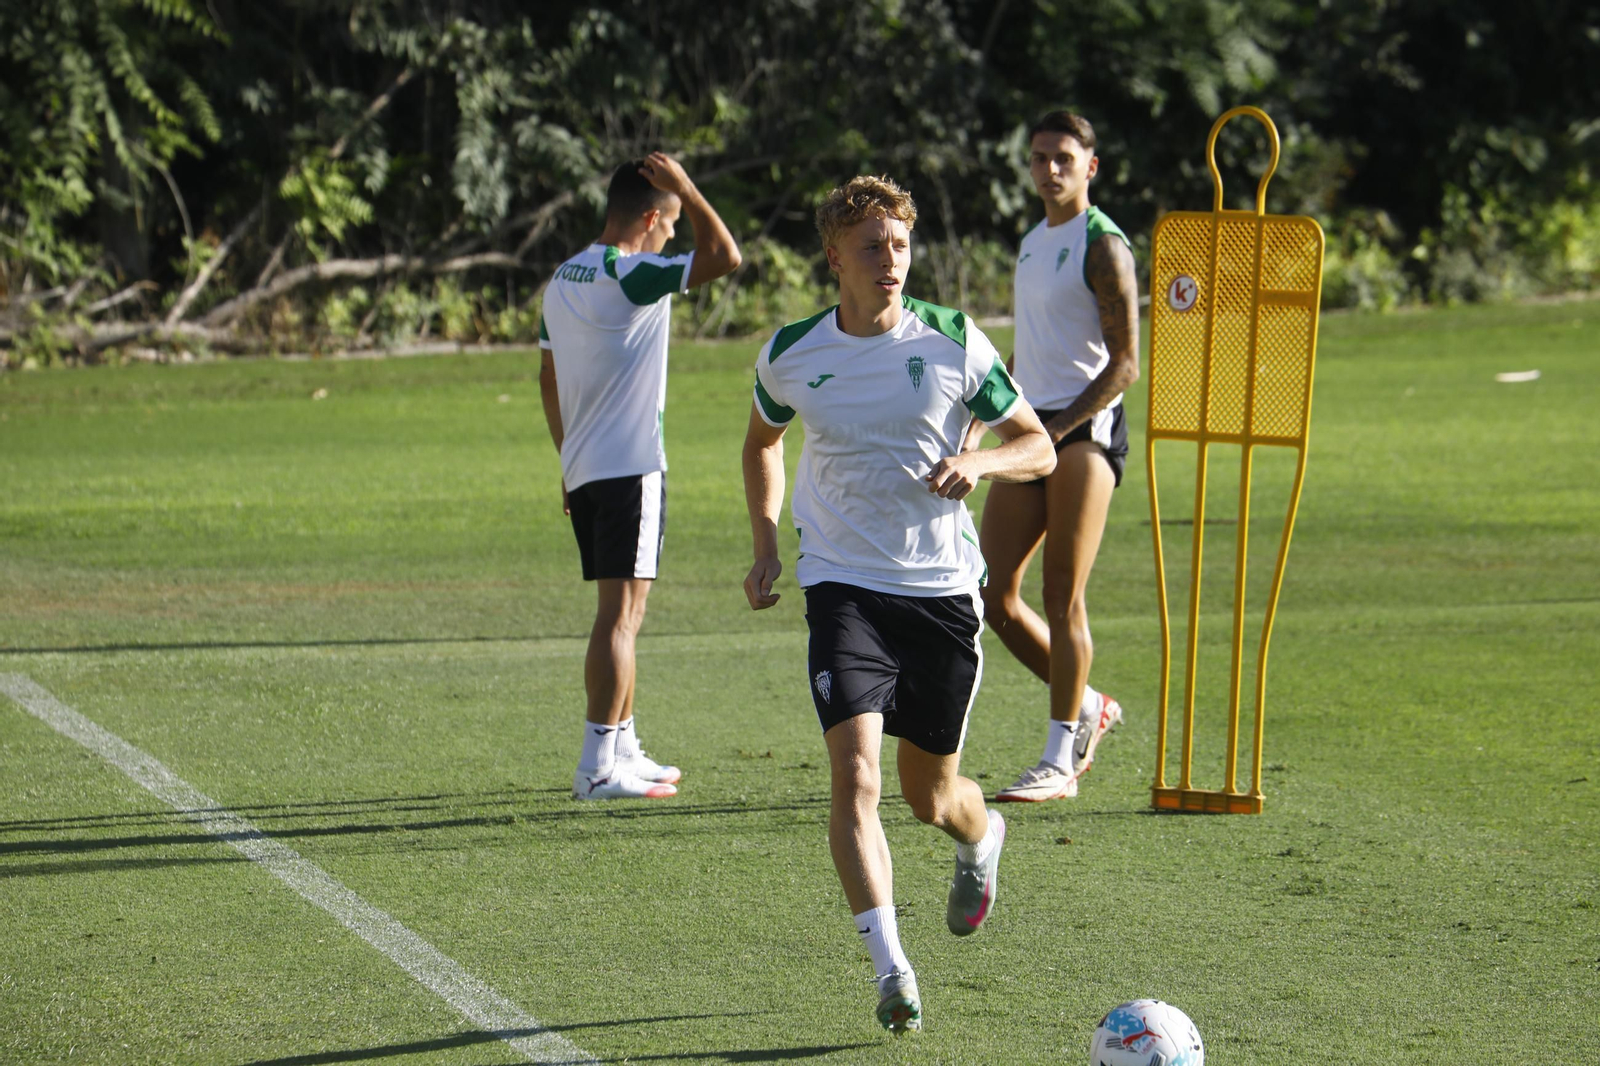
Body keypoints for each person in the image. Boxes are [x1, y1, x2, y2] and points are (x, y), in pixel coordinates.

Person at [741, 175, 1055, 1032]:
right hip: (842, 588)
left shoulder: (952, 340)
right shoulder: (791, 352)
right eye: (873, 247)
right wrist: (766, 544)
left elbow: (1036, 446)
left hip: (942, 596)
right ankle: (892, 971)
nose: (892, 261)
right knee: (855, 778)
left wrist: (979, 463)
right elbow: (762, 443)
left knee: (931, 799)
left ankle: (981, 839)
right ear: (834, 256)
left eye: (902, 246)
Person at [539, 152, 741, 801]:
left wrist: (567, 458)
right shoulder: (631, 273)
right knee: (619, 618)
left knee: (628, 612)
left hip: (586, 466)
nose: (674, 234)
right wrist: (688, 188)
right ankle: (598, 765)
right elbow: (726, 256)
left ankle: (622, 745)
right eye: (672, 222)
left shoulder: (561, 278)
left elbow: (548, 376)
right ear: (651, 218)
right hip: (631, 467)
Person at [965, 111, 1141, 803]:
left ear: (1090, 166)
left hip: (1085, 433)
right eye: (1039, 158)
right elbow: (1032, 347)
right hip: (1034, 429)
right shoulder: (1033, 243)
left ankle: (1059, 758)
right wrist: (983, 419)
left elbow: (1125, 364)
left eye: (1064, 158)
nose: (1050, 170)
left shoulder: (1104, 245)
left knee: (1061, 595)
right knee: (991, 592)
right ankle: (1090, 704)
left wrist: (1060, 429)